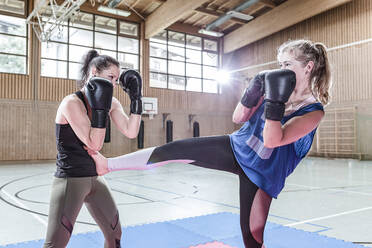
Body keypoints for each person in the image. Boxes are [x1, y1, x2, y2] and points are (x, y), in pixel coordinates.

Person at [86, 39, 332, 248]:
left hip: (263, 174)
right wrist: (253, 90)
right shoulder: (273, 88)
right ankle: (108, 164)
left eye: (288, 65)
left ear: (308, 67)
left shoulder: (313, 111)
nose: (282, 70)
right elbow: (238, 118)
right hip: (237, 147)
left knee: (252, 238)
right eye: (280, 65)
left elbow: (272, 140)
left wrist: (275, 102)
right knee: (174, 150)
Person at [43, 49, 143, 248]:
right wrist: (100, 109)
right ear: (94, 73)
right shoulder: (71, 103)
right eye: (111, 78)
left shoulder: (112, 103)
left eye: (117, 80)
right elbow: (94, 144)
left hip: (95, 178)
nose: (114, 84)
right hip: (71, 180)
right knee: (55, 244)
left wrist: (136, 100)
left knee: (115, 234)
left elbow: (131, 131)